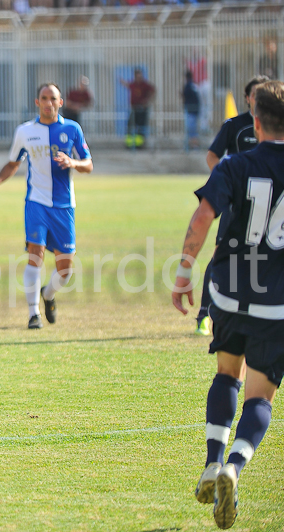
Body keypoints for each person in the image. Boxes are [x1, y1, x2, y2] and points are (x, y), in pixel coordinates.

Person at [172, 80, 284, 530]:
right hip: (277, 304)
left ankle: (211, 462)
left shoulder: (237, 163)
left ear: (254, 121)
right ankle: (234, 467)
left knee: (226, 373)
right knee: (261, 393)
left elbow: (203, 217)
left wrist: (184, 271)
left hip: (230, 292)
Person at [0, 83, 93, 329]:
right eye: (44, 98)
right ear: (36, 102)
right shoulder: (25, 131)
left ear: (60, 102)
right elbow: (12, 163)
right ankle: (33, 315)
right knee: (35, 256)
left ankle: (48, 294)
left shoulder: (72, 129)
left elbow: (88, 164)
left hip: (64, 207)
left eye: (53, 98)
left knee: (65, 270)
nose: (48, 102)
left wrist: (72, 162)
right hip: (36, 202)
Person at [195, 75, 270, 336]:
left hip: (268, 205)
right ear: (248, 98)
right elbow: (212, 155)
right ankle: (204, 315)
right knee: (220, 256)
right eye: (256, 94)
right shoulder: (234, 126)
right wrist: (228, 184)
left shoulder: (276, 127)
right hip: (238, 206)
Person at [120, 69, 155, 149]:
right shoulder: (134, 84)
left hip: (142, 109)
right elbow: (128, 85)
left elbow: (153, 90)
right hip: (134, 108)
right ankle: (129, 144)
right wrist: (122, 82)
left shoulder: (144, 85)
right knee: (131, 124)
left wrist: (147, 100)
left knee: (140, 126)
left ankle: (139, 145)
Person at [182, 70, 200, 151]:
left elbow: (185, 95)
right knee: (193, 129)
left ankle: (193, 147)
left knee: (191, 129)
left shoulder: (188, 86)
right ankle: (193, 146)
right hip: (195, 110)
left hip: (190, 110)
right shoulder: (194, 85)